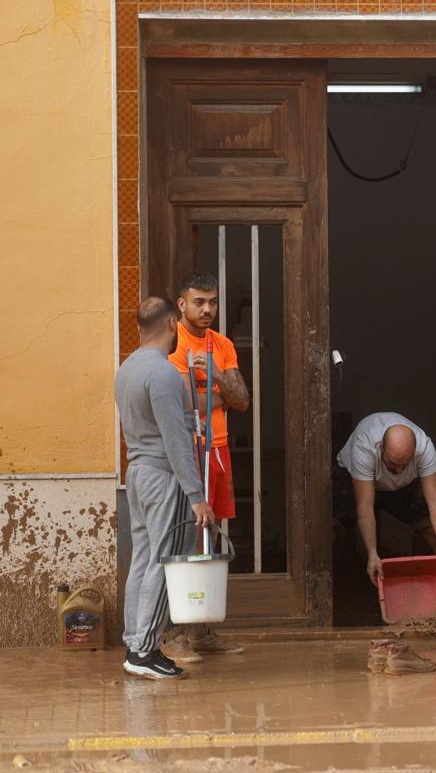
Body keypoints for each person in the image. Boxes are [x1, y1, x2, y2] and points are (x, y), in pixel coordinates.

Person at [115, 297, 217, 680]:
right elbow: (176, 440)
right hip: (163, 476)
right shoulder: (162, 374)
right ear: (173, 324)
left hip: (138, 472)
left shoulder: (126, 369)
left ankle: (135, 643)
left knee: (143, 558)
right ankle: (144, 650)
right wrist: (197, 496)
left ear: (140, 327)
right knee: (164, 560)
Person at [163, 271, 250, 663]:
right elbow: (183, 406)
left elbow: (243, 400)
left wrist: (212, 378)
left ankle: (201, 630)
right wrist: (218, 392)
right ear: (181, 304)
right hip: (188, 451)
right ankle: (172, 633)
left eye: (212, 302)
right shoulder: (173, 343)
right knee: (182, 540)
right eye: (199, 302)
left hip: (218, 449)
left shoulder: (223, 344)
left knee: (209, 537)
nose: (208, 309)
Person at [337, 413, 436, 586]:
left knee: (435, 532)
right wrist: (372, 554)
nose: (400, 470)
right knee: (330, 528)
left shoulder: (424, 447)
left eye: (405, 464)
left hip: (403, 488)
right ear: (381, 448)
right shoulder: (363, 447)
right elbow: (365, 508)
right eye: (393, 463)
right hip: (354, 479)